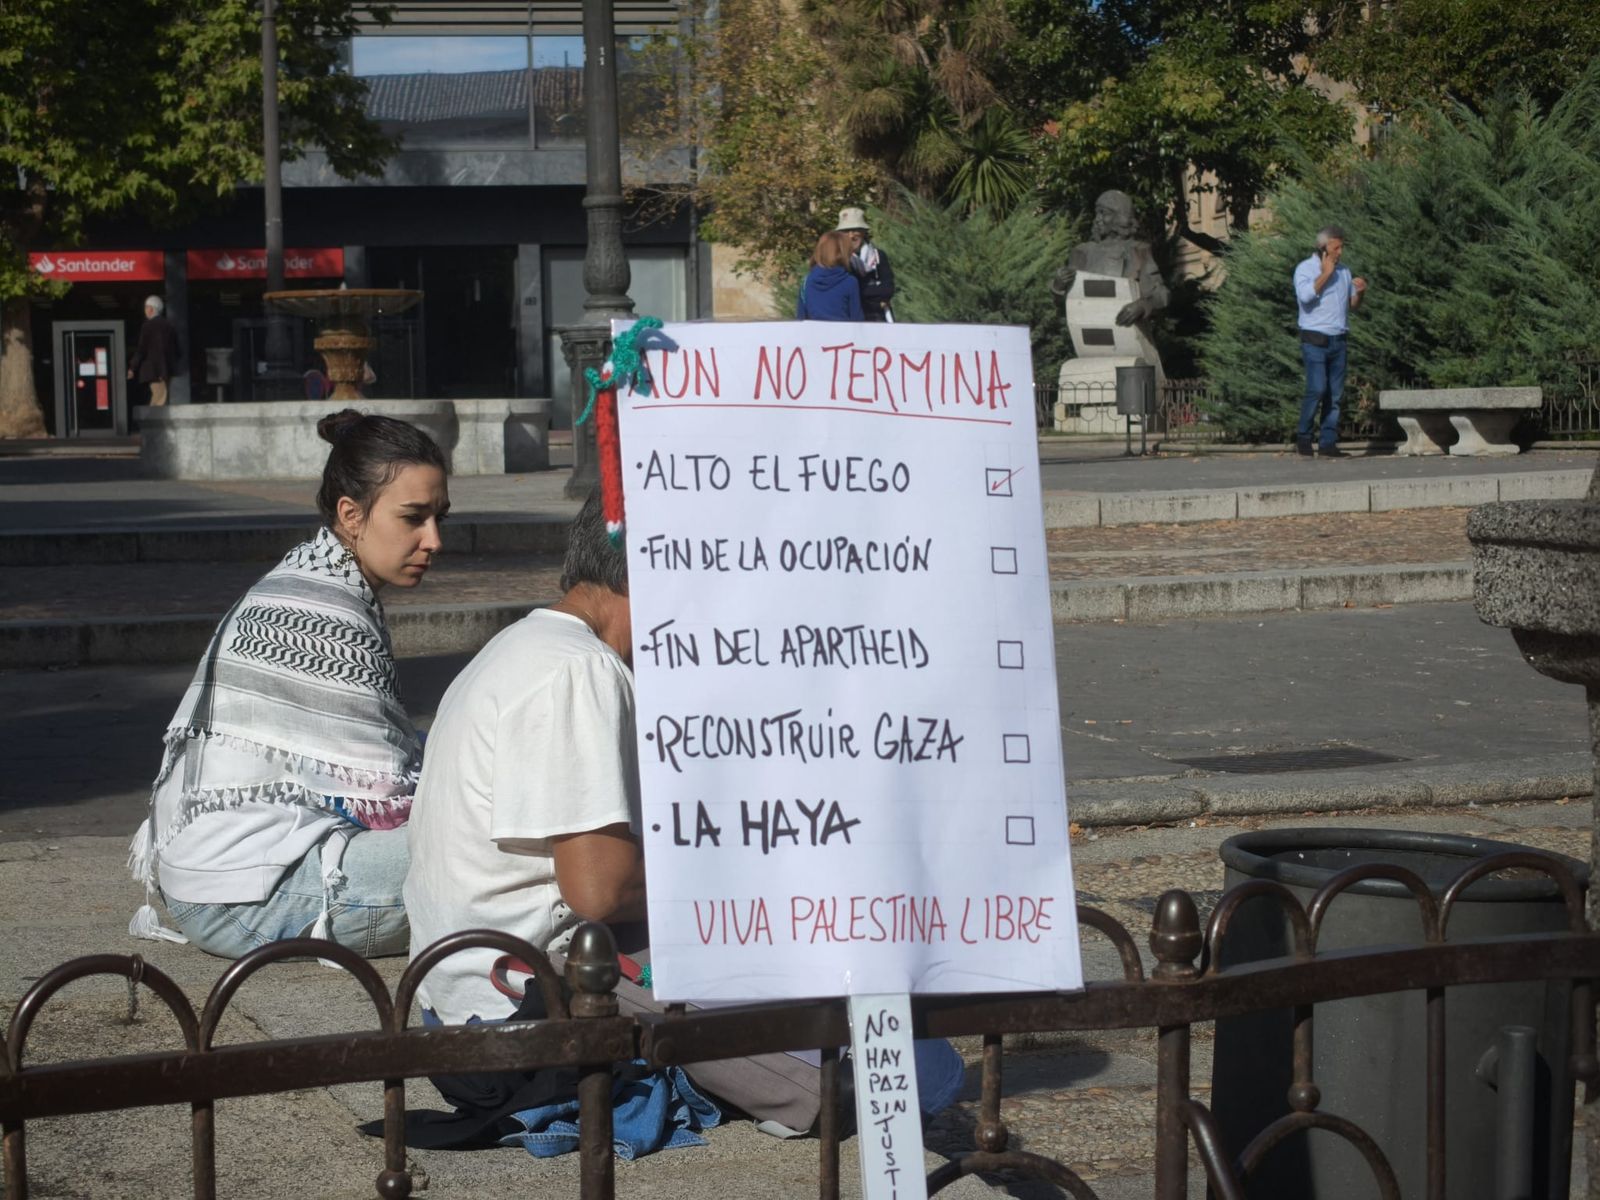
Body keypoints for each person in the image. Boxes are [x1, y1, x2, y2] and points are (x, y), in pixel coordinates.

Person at [404, 493, 964, 1142]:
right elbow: (597, 887)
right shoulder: (580, 671)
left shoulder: (525, 647)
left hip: (463, 1007)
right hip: (522, 1015)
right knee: (919, 1068)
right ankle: (824, 1084)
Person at [127, 410, 450, 957]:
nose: (434, 540)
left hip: (221, 877)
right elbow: (388, 796)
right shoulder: (327, 611)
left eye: (440, 517)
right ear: (351, 514)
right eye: (414, 518)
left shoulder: (314, 574)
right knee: (493, 854)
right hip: (247, 901)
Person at [1293, 225, 1368, 458]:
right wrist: (1325, 273)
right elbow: (1305, 297)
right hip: (1315, 339)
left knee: (1334, 395)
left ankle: (1328, 443)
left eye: (1341, 247)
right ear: (1323, 247)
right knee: (1317, 389)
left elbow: (1351, 306)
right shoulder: (1305, 269)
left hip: (1339, 339)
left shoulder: (1344, 271)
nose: (1340, 252)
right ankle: (1303, 438)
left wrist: (1361, 292)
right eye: (1336, 247)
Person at [1049, 189, 1169, 330]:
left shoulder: (1138, 251)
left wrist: (1143, 305)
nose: (1098, 219)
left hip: (1128, 336)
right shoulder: (1082, 253)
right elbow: (1069, 303)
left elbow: (1161, 295)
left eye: (1104, 213)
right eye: (1097, 213)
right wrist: (1058, 287)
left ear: (1121, 216)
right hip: (1090, 336)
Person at [836, 207, 895, 322]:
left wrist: (863, 292)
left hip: (879, 318)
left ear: (864, 232)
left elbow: (888, 288)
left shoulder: (879, 256)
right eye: (846, 231)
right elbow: (847, 293)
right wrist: (876, 295)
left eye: (856, 229)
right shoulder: (838, 260)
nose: (851, 235)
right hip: (850, 319)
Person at [127, 295, 182, 406]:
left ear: (151, 309)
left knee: (158, 398)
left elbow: (141, 349)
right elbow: (177, 350)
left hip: (152, 369)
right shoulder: (169, 326)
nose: (145, 310)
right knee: (162, 396)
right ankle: (154, 421)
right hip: (166, 369)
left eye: (146, 307)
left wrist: (133, 367)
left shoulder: (147, 326)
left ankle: (151, 421)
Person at [795, 231, 862, 322]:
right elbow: (857, 320)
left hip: (814, 335)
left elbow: (801, 320)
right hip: (842, 335)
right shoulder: (850, 282)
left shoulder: (806, 282)